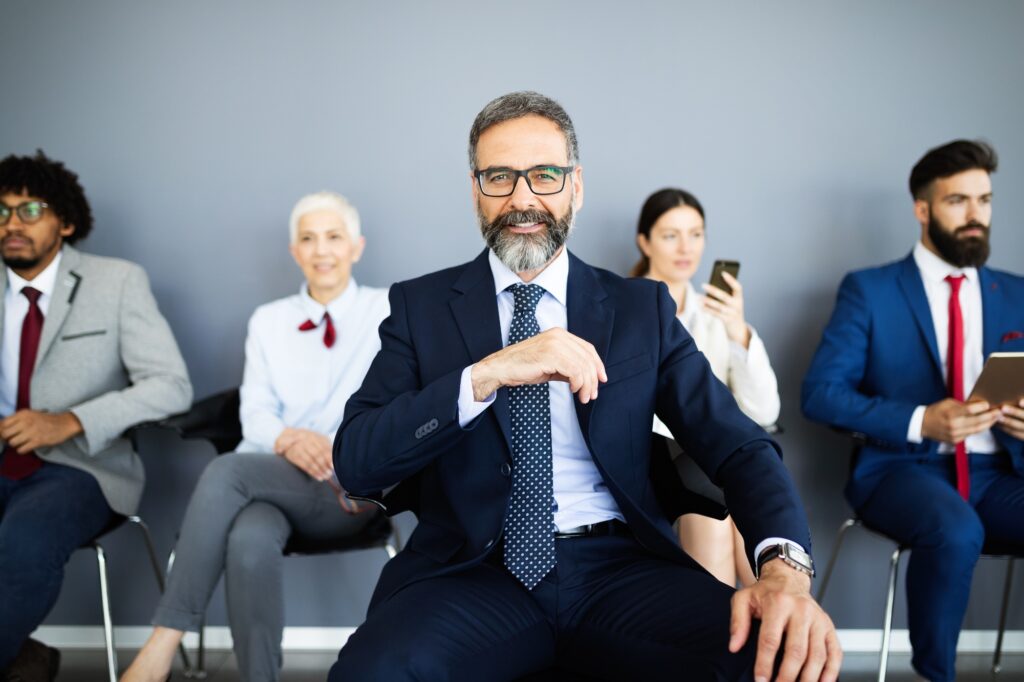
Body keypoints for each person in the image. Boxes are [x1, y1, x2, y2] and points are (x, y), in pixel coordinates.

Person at [330, 92, 839, 682]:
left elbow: (738, 444)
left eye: (544, 175)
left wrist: (783, 569)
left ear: (576, 186)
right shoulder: (420, 308)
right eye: (500, 176)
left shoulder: (638, 308)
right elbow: (358, 462)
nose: (523, 198)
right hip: (472, 574)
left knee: (771, 656)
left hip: (620, 569)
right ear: (476, 190)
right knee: (373, 672)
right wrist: (487, 373)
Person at [121, 191, 388, 682]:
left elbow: (395, 407)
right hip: (275, 479)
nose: (321, 250)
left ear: (357, 247)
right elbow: (256, 414)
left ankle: (162, 644)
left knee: (226, 470)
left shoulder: (387, 312)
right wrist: (288, 439)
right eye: (308, 239)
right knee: (248, 538)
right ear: (294, 251)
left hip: (350, 487)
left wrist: (334, 443)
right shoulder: (268, 321)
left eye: (334, 237)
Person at [802, 140, 1024, 682]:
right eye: (958, 201)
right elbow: (822, 393)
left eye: (984, 200)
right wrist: (924, 420)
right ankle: (936, 676)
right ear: (923, 209)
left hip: (998, 471)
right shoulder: (870, 290)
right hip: (900, 470)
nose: (976, 216)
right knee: (956, 529)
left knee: (966, 522)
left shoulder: (1016, 293)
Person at [0, 151, 192, 680]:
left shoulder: (117, 282)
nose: (12, 223)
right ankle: (23, 655)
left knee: (23, 539)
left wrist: (70, 421)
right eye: (2, 211)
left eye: (29, 210)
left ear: (65, 220)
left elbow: (172, 386)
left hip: (82, 469)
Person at [632, 187, 781, 588]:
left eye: (696, 234)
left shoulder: (716, 315)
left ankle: (763, 638)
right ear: (644, 241)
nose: (686, 248)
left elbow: (765, 412)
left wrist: (738, 330)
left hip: (711, 461)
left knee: (754, 508)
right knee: (718, 511)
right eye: (670, 235)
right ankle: (720, 635)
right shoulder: (622, 311)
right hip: (654, 461)